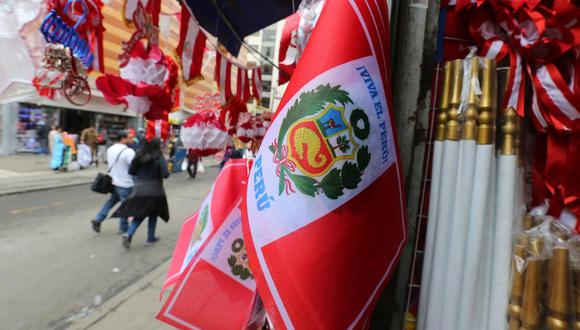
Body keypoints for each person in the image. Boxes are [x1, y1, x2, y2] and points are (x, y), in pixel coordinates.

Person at [113, 138, 169, 249]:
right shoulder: (158, 157)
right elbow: (165, 174)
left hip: (139, 189)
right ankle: (150, 238)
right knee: (153, 214)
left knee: (140, 214)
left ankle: (128, 234)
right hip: (155, 191)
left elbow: (131, 171)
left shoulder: (138, 156)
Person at [91, 130, 135, 234]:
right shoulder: (129, 152)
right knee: (126, 206)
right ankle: (123, 227)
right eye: (130, 137)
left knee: (111, 201)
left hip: (113, 181)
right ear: (123, 138)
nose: (132, 139)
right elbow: (134, 168)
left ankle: (98, 219)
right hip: (125, 183)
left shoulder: (110, 149)